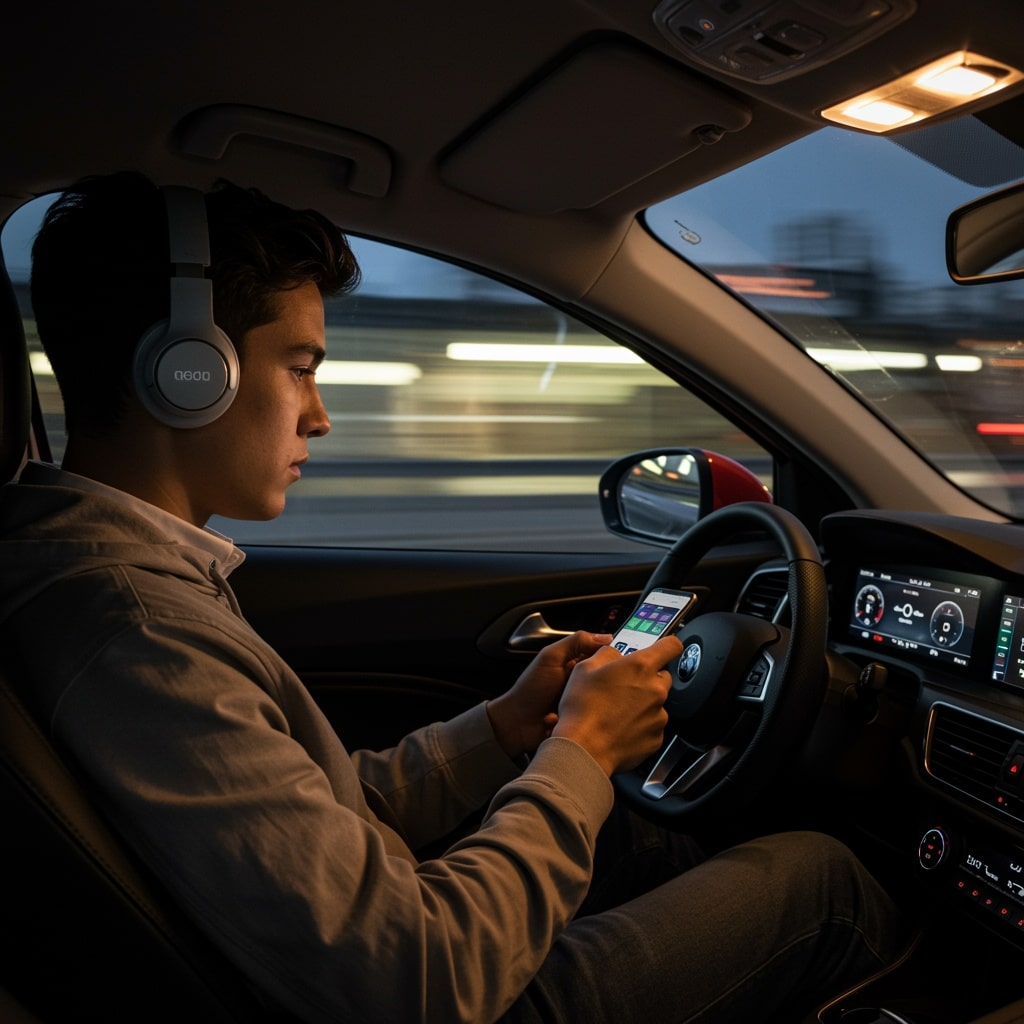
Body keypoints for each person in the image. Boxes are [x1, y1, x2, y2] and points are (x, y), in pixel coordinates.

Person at [0, 172, 910, 1023]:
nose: (319, 415)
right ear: (189, 372)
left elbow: (305, 816)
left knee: (635, 834)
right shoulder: (140, 628)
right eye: (302, 367)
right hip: (439, 989)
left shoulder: (117, 583)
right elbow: (418, 977)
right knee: (821, 880)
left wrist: (504, 732)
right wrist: (586, 749)